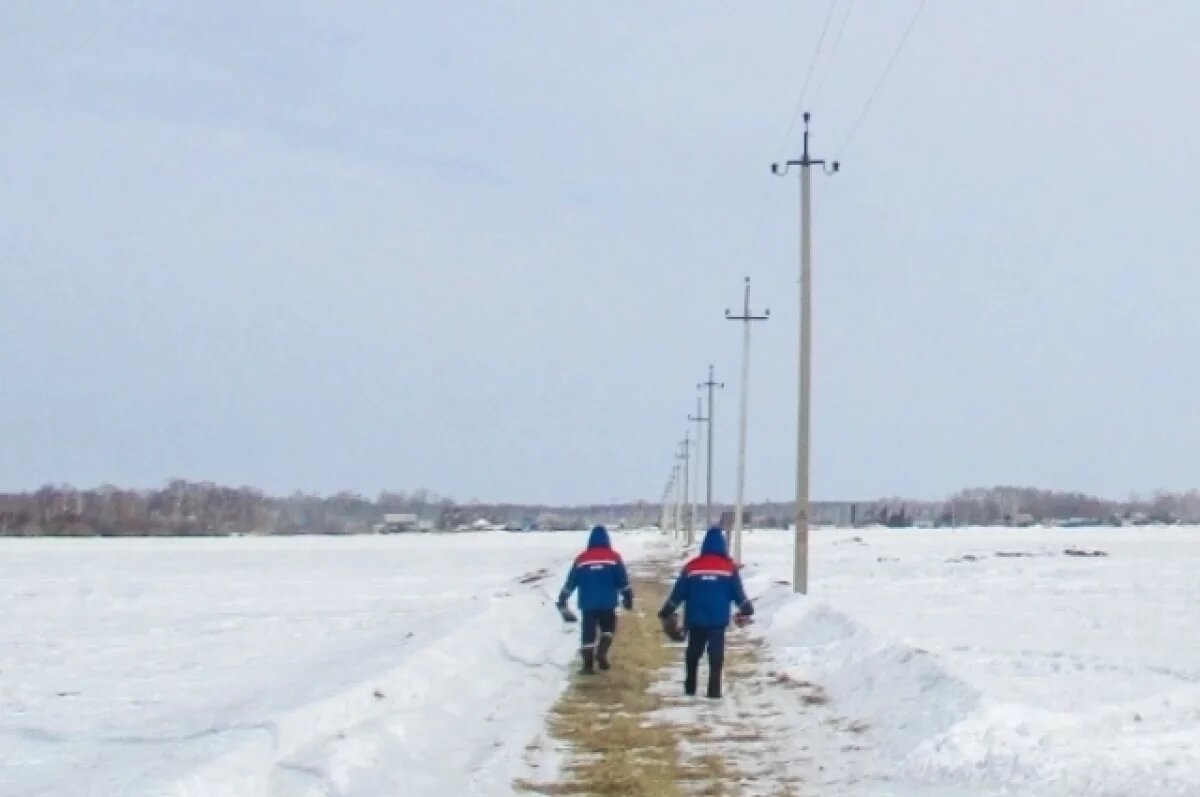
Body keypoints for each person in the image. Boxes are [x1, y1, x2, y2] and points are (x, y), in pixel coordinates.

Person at [658, 526, 754, 698]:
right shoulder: (729, 568)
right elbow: (738, 593)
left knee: (693, 654)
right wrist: (747, 608)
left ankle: (690, 688)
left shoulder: (691, 567)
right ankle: (714, 692)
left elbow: (678, 593)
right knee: (716, 656)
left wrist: (666, 611)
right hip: (717, 621)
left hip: (695, 619)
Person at [556, 525, 633, 674]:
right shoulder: (614, 557)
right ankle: (602, 652)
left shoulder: (582, 559)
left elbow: (571, 581)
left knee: (588, 634)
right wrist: (628, 597)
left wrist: (563, 598)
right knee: (608, 629)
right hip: (608, 603)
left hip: (588, 604)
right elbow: (622, 580)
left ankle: (588, 666)